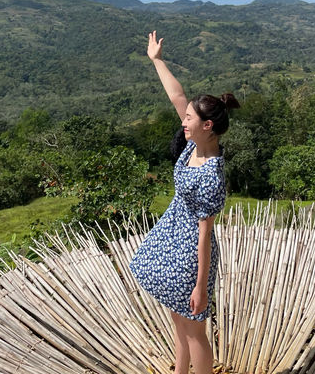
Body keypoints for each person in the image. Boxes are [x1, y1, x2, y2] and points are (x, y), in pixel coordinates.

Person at [130, 31, 240, 374]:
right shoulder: (194, 143)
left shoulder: (211, 175)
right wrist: (157, 59)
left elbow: (205, 234)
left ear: (208, 126)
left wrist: (200, 286)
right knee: (179, 324)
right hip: (171, 239)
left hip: (191, 253)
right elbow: (177, 94)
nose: (183, 121)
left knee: (195, 333)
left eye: (190, 119)